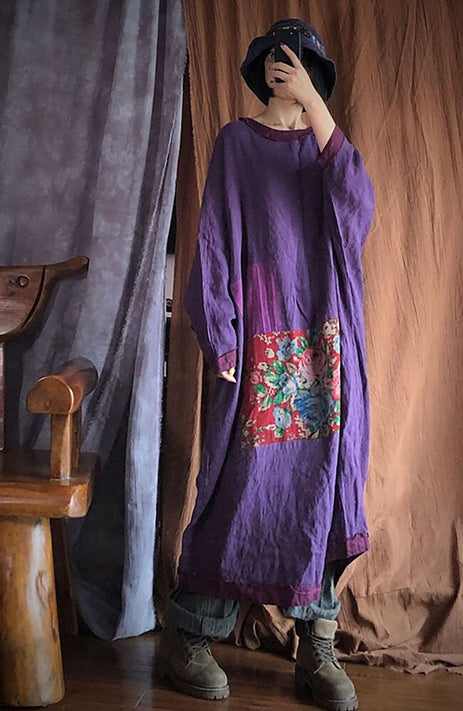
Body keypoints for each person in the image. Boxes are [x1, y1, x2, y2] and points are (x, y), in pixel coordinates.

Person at [158, 18, 375, 711]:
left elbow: (357, 209)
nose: (288, 69)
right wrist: (222, 334)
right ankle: (190, 632)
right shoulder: (236, 142)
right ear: (260, 70)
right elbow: (214, 240)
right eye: (278, 60)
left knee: (323, 489)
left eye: (301, 62)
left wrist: (315, 108)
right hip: (261, 340)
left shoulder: (328, 152)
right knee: (241, 486)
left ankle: (317, 644)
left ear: (315, 75)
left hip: (327, 343)